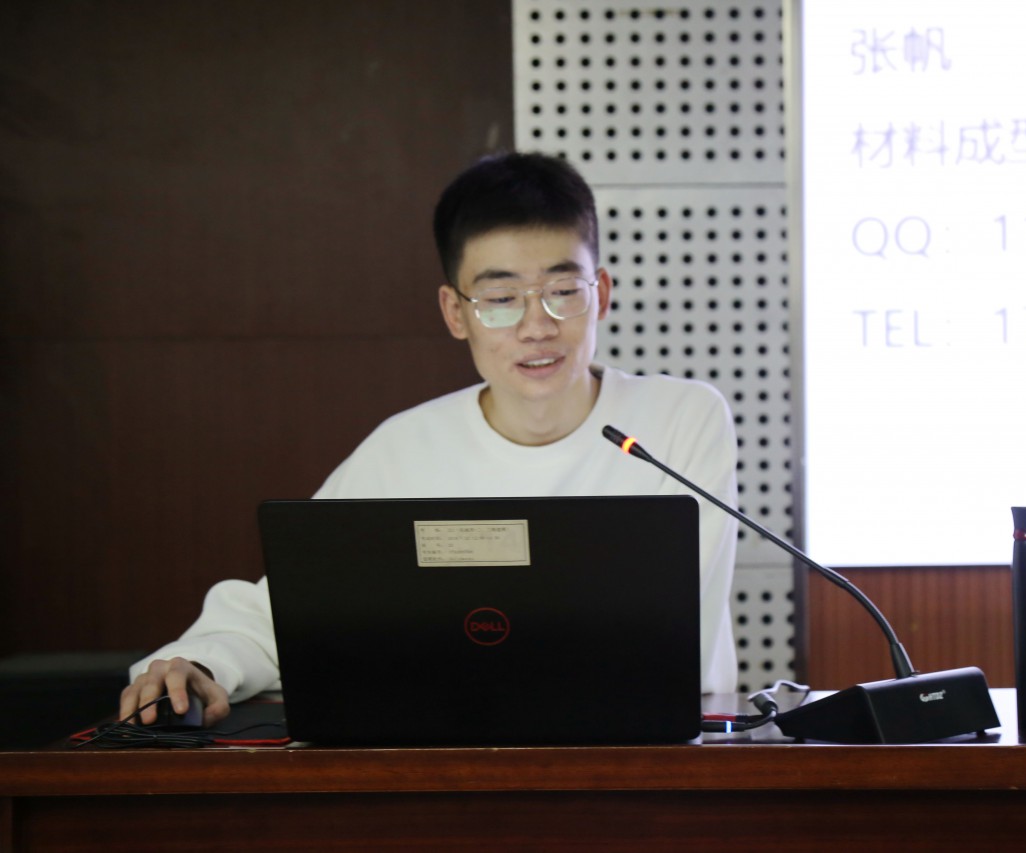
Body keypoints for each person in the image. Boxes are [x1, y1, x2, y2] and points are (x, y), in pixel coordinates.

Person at [119, 152, 740, 727]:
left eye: (561, 293)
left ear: (599, 294)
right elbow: (285, 613)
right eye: (500, 299)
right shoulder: (405, 447)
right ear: (455, 312)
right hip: (458, 760)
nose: (536, 327)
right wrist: (199, 663)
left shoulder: (679, 420)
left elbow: (655, 633)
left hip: (650, 752)